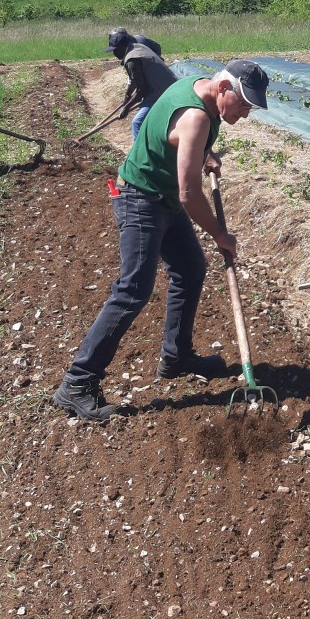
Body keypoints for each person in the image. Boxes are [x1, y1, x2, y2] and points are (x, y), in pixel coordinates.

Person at [53, 58, 271, 423]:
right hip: (141, 199)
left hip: (160, 198)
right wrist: (220, 234)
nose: (245, 115)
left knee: (190, 268)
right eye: (244, 105)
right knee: (133, 290)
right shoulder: (197, 117)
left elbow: (176, 140)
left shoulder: (196, 88)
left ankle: (176, 356)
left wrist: (205, 153)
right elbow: (189, 194)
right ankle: (77, 382)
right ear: (223, 88)